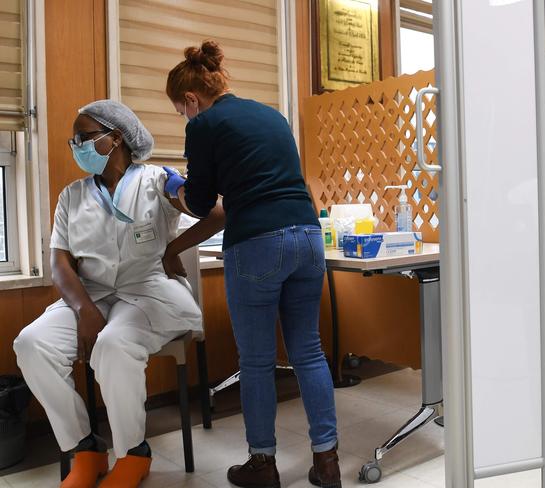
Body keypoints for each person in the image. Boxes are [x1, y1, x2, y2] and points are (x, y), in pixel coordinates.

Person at [13, 100, 224, 488]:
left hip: (148, 292)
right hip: (89, 294)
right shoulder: (71, 196)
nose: (76, 145)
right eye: (73, 140)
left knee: (112, 345)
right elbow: (60, 262)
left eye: (85, 137)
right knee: (31, 344)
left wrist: (172, 250)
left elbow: (215, 212)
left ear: (116, 139)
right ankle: (85, 449)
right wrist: (83, 308)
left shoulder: (157, 180)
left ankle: (132, 453)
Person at [163, 40, 342, 488]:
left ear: (191, 99)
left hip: (257, 246)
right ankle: (327, 462)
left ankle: (263, 464)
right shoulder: (271, 115)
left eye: (181, 110)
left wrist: (174, 187)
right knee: (309, 351)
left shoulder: (204, 125)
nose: (184, 118)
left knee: (258, 361)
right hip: (307, 236)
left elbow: (204, 204)